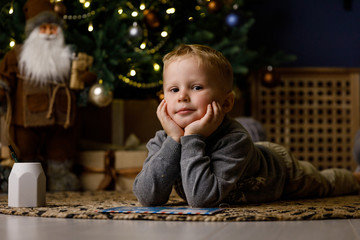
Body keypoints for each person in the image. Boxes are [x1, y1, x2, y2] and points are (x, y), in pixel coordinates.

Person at [133, 44, 360, 207]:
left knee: (323, 183)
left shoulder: (234, 139)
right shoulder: (165, 139)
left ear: (227, 102)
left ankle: (355, 177)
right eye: (174, 90)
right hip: (248, 157)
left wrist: (192, 137)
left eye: (196, 87)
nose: (182, 96)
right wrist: (174, 140)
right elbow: (147, 197)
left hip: (280, 171)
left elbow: (202, 199)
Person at [0, 0, 95, 191]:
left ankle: (61, 181)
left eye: (53, 29)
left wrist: (85, 77)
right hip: (26, 118)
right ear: (33, 32)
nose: (49, 34)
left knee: (61, 152)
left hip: (61, 118)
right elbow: (4, 76)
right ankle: (26, 184)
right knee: (25, 152)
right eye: (43, 28)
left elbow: (79, 79)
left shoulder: (66, 56)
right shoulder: (17, 55)